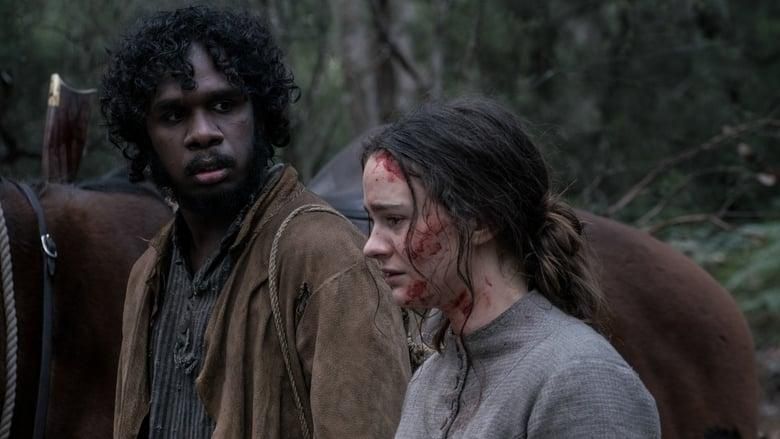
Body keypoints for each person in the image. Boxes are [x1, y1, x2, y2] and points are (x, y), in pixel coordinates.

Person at [100, 6, 410, 438]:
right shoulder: (148, 274)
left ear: (260, 113)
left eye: (224, 104)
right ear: (145, 135)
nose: (202, 132)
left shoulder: (328, 259)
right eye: (173, 115)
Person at [361, 97, 661, 438]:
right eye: (373, 221)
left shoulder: (583, 377)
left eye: (395, 219)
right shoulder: (430, 380)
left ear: (481, 221)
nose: (371, 246)